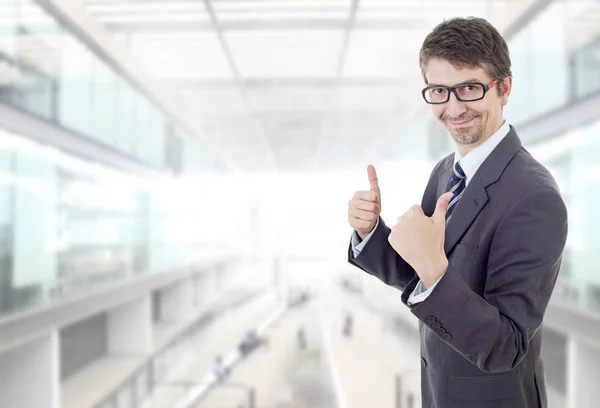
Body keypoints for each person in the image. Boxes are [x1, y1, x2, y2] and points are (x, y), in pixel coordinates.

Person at [346, 17, 568, 408]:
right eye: (438, 91)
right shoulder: (447, 171)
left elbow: (506, 347)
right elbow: (420, 278)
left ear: (504, 88)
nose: (453, 107)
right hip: (439, 391)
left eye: (469, 88)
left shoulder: (534, 196)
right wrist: (370, 232)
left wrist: (434, 268)